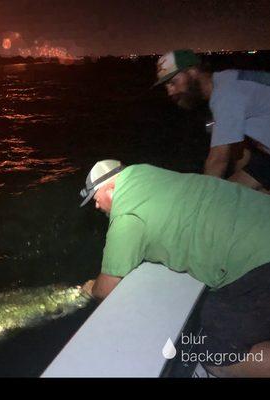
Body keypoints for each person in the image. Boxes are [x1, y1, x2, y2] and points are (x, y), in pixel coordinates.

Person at [80, 159, 270, 377]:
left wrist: (90, 289)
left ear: (111, 189)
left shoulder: (127, 216)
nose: (96, 206)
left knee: (215, 351)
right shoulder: (147, 173)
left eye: (95, 199)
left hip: (260, 259)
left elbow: (105, 289)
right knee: (217, 310)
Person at [154, 49, 270, 193]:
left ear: (192, 71)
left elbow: (218, 160)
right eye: (166, 86)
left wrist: (204, 199)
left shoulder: (225, 95)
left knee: (222, 199)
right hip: (265, 158)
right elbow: (239, 150)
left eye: (173, 82)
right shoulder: (225, 81)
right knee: (235, 196)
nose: (170, 92)